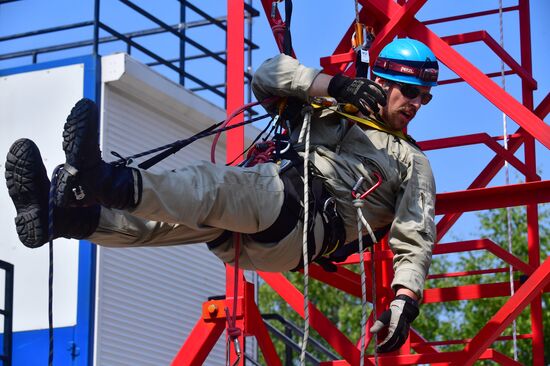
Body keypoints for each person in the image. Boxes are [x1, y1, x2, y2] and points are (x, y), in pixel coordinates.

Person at [5, 38, 437, 354]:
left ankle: (101, 182)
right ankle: (64, 221)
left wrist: (404, 302)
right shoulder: (329, 108)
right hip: (267, 222)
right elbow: (267, 75)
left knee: (209, 187)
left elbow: (415, 237)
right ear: (380, 83)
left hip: (303, 218)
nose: (416, 104)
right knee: (167, 221)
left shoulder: (410, 162)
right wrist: (333, 86)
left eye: (425, 97)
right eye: (410, 91)